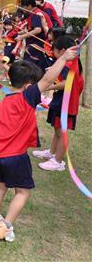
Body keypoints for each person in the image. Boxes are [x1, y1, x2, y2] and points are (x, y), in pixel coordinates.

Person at [0, 47, 78, 243]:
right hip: (15, 157)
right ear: (29, 86)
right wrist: (63, 58)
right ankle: (6, 225)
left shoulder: (2, 103)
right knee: (23, 192)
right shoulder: (27, 97)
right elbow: (47, 80)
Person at [33, 36, 84, 171]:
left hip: (66, 104)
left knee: (62, 132)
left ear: (62, 51)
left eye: (53, 50)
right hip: (60, 101)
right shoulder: (71, 61)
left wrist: (49, 86)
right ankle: (52, 152)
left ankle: (58, 161)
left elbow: (67, 83)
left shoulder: (68, 64)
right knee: (57, 129)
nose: (52, 53)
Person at [16, 0, 52, 70]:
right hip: (35, 42)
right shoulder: (32, 13)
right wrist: (21, 33)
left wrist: (22, 37)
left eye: (23, 6)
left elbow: (37, 30)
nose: (22, 8)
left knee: (31, 63)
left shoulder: (37, 14)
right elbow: (32, 28)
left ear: (29, 6)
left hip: (40, 43)